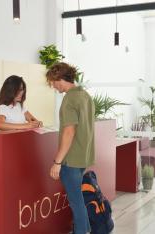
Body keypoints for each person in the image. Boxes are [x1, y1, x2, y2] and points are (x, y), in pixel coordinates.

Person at [46, 62, 95, 234]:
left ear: (60, 78)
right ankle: (85, 229)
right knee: (78, 198)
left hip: (71, 159)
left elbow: (69, 131)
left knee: (76, 201)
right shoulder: (84, 95)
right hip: (82, 157)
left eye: (53, 82)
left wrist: (57, 162)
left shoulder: (69, 99)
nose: (53, 86)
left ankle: (82, 231)